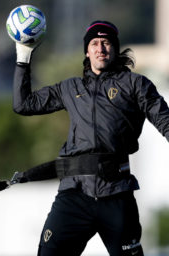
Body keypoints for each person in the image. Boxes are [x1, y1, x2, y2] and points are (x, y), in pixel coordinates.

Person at [12, 20, 169, 256]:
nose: (100, 48)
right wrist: (23, 57)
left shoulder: (136, 85)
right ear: (87, 51)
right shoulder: (70, 88)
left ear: (115, 49)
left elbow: (165, 121)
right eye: (94, 43)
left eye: (106, 43)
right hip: (74, 195)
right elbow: (23, 105)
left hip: (116, 194)